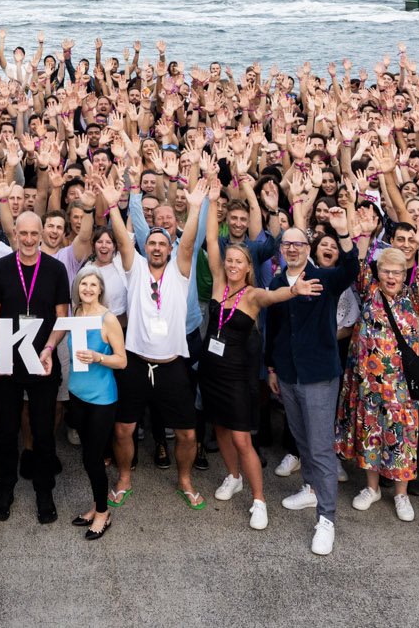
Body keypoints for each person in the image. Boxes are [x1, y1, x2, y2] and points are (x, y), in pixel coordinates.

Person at [200, 201, 314, 531]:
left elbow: (274, 297)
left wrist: (294, 291)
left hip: (236, 377)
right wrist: (209, 201)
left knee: (241, 439)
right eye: (230, 260)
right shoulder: (219, 283)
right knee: (219, 428)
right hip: (211, 372)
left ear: (248, 267)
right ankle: (232, 477)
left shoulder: (252, 294)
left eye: (239, 261)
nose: (233, 265)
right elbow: (210, 240)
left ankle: (259, 499)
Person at [105, 176, 209, 511]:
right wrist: (112, 205)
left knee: (187, 435)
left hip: (171, 366)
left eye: (162, 243)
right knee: (123, 430)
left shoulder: (180, 271)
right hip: (135, 363)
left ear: (169, 247)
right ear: (145, 247)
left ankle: (185, 480)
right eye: (151, 243)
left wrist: (194, 208)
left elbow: (190, 244)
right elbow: (123, 242)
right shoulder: (134, 269)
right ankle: (123, 478)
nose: (156, 247)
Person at [265, 219, 359, 555]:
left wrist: (344, 232)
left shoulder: (325, 278)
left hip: (319, 375)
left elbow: (350, 267)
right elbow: (273, 329)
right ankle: (311, 488)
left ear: (308, 249)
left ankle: (327, 518)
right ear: (281, 250)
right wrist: (272, 367)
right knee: (302, 437)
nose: (292, 248)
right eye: (286, 244)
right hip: (288, 374)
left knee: (320, 447)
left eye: (298, 244)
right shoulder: (276, 282)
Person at [340, 220, 419, 523]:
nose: (391, 276)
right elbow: (358, 265)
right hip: (367, 383)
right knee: (370, 433)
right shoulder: (369, 291)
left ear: (404, 273)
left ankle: (401, 494)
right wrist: (365, 236)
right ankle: (371, 488)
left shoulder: (412, 297)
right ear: (378, 272)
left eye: (396, 271)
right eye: (385, 271)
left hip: (401, 386)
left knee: (401, 438)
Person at [0, 206, 72, 524]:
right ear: (15, 234)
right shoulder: (0, 268)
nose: (30, 239)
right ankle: (4, 488)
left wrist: (49, 347)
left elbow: (63, 317)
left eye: (35, 233)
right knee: (6, 431)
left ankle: (44, 490)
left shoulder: (56, 270)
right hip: (7, 362)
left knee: (44, 431)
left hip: (43, 361)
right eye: (24, 233)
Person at [65, 268, 127, 538]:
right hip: (76, 394)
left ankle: (103, 513)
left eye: (93, 284)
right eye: (83, 284)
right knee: (87, 456)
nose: (88, 288)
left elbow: (122, 360)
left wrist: (97, 357)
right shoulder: (76, 313)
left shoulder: (108, 318)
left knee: (93, 457)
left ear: (100, 289)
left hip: (101, 399)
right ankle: (96, 505)